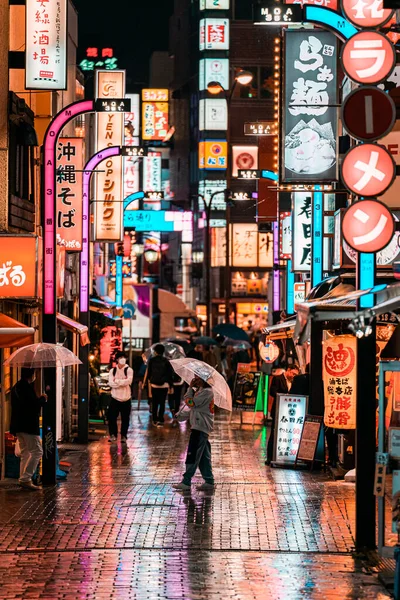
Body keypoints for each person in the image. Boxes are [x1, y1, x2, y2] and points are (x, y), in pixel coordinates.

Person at [173, 376, 215, 491]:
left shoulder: (207, 392)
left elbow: (191, 403)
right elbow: (195, 410)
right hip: (199, 426)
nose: (195, 379)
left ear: (204, 380)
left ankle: (186, 482)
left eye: (198, 378)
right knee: (203, 457)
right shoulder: (201, 391)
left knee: (193, 455)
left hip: (200, 428)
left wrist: (190, 388)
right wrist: (181, 416)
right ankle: (209, 480)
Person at [10, 368, 47, 490]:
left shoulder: (16, 387)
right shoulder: (26, 388)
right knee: (37, 451)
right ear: (31, 375)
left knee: (25, 452)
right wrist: (42, 399)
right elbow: (32, 407)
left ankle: (23, 478)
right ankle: (26, 478)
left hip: (18, 425)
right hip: (28, 426)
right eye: (34, 374)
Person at [265, 363, 300, 466]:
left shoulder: (294, 381)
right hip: (278, 410)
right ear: (288, 370)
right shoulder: (278, 379)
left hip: (288, 412)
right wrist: (283, 396)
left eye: (295, 375)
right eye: (293, 374)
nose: (294, 376)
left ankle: (283, 456)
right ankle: (270, 457)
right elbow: (272, 392)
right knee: (274, 433)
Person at [142, 344, 174, 427]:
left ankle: (154, 419)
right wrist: (170, 385)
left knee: (155, 402)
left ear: (155, 351)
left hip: (154, 385)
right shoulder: (166, 361)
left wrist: (147, 381)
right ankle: (161, 419)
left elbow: (149, 372)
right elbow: (170, 374)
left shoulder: (152, 360)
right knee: (162, 403)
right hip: (164, 385)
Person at [107, 351, 134, 443]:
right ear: (117, 359)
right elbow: (111, 383)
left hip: (126, 398)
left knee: (125, 418)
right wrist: (122, 382)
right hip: (114, 397)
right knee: (111, 417)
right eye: (120, 357)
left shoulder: (129, 370)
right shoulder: (112, 371)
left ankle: (124, 435)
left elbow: (129, 381)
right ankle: (113, 434)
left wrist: (117, 381)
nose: (123, 359)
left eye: (124, 357)